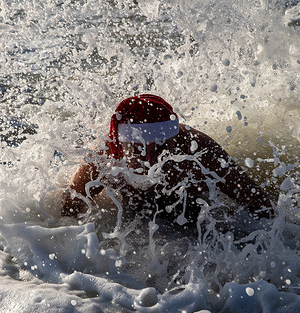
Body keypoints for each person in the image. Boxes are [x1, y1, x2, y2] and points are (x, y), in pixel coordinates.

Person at [62, 94, 275, 226]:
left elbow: (261, 206)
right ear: (120, 147)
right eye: (137, 149)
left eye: (160, 147)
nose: (149, 159)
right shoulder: (104, 156)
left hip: (191, 216)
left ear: (174, 140)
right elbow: (68, 211)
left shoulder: (199, 152)